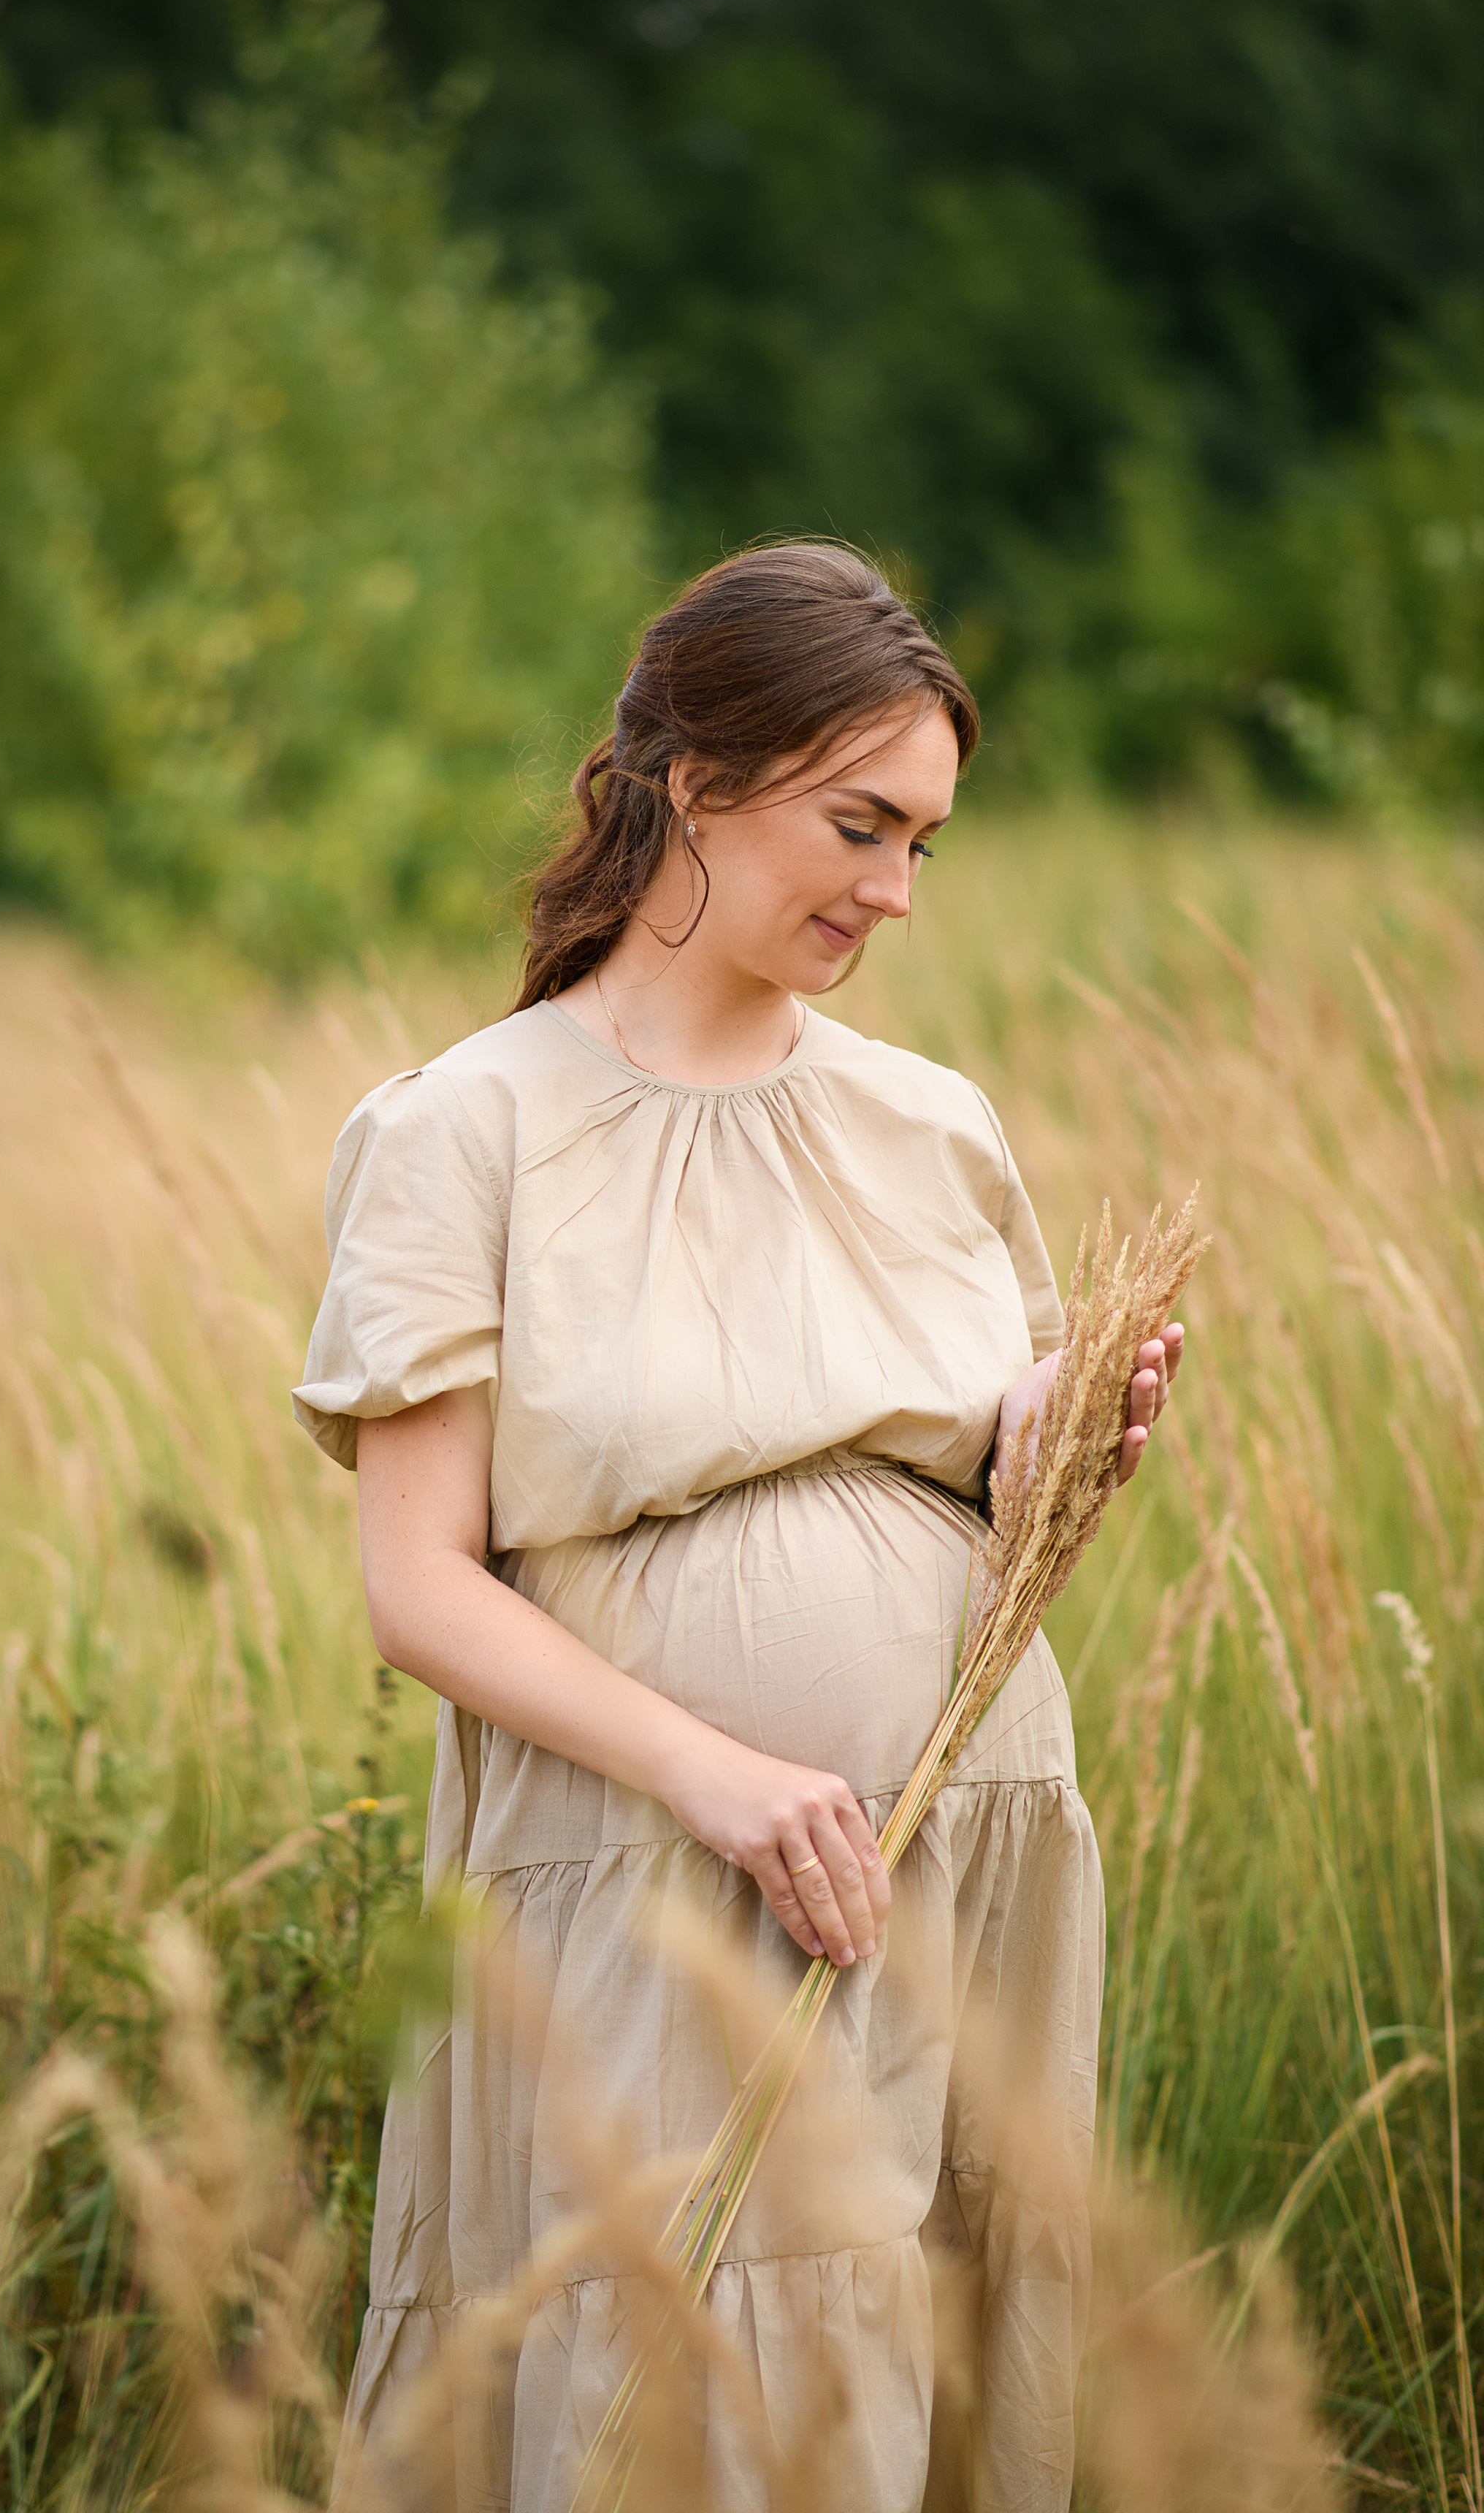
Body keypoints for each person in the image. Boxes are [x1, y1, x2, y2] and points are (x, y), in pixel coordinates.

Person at [293, 541, 1181, 2512]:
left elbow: (969, 1483)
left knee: (935, 2346)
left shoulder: (932, 1121)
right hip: (662, 1864)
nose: (895, 891)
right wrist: (722, 1778)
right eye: (861, 828)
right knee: (681, 2372)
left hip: (960, 1846)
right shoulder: (464, 1128)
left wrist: (1059, 1443)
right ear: (696, 782)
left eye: (925, 844)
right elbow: (417, 1586)